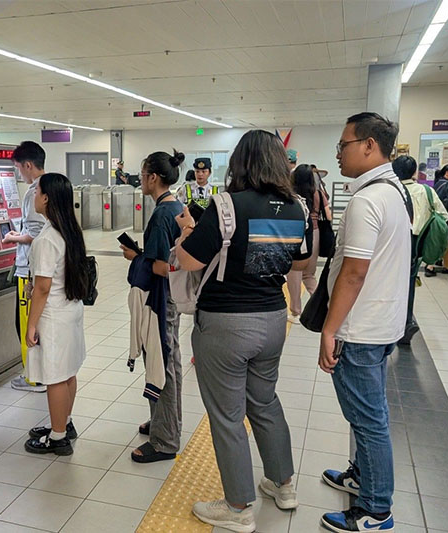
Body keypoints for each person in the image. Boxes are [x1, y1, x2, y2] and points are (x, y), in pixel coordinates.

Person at [174, 130, 309, 532]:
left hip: (225, 324)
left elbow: (190, 261)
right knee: (264, 403)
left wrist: (186, 235)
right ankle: (283, 485)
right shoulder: (297, 207)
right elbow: (300, 263)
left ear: (240, 162)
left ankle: (237, 507)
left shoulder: (226, 205)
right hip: (273, 319)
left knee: (227, 416)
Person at [319, 112, 411, 533]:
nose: (339, 154)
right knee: (369, 414)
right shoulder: (395, 192)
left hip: (361, 329)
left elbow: (354, 272)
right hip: (383, 322)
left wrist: (330, 329)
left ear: (370, 145)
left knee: (369, 420)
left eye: (344, 145)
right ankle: (362, 477)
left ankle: (375, 508)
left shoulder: (367, 200)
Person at [121, 149, 184, 464]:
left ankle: (165, 441)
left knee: (162, 363)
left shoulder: (161, 215)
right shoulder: (177, 206)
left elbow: (161, 267)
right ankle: (163, 422)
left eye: (142, 174)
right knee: (169, 359)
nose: (140, 179)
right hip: (172, 297)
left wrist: (137, 257)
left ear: (153, 177)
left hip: (160, 298)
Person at [22, 173, 88, 456]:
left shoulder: (46, 239)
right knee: (68, 371)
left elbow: (43, 287)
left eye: (37, 191)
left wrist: (31, 325)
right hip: (70, 309)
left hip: (53, 317)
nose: (34, 196)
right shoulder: (70, 231)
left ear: (47, 198)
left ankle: (58, 437)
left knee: (55, 377)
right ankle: (65, 422)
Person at [4, 141, 48, 393]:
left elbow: (36, 234)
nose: (18, 173)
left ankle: (33, 377)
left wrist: (14, 238)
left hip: (29, 270)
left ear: (28, 165)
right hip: (41, 268)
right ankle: (40, 372)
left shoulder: (34, 193)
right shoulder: (51, 186)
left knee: (26, 324)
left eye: (18, 168)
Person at [393, 156, 448, 345]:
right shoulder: (427, 191)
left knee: (389, 281)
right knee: (409, 282)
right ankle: (406, 322)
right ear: (414, 172)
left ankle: (391, 322)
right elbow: (443, 215)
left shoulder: (391, 190)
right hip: (418, 242)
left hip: (394, 242)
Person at [287, 164, 320, 324]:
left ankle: (296, 312)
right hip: (315, 232)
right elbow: (328, 214)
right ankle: (320, 306)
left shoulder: (292, 196)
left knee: (294, 274)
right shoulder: (317, 193)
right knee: (309, 275)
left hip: (297, 233)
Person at [424, 163, 448, 277]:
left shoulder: (438, 183)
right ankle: (441, 266)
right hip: (446, 216)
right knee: (447, 242)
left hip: (436, 216)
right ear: (447, 173)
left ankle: (431, 265)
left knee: (437, 240)